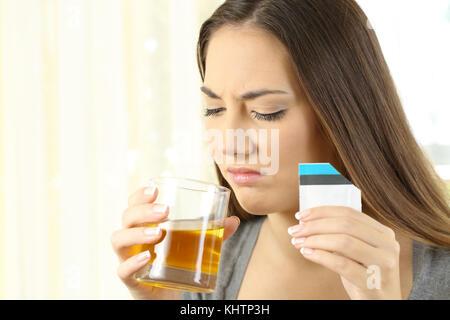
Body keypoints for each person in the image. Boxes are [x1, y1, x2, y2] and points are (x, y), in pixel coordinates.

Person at [111, 0, 450, 300]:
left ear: (344, 116)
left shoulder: (439, 273)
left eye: (266, 111)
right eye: (214, 109)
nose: (229, 143)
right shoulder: (202, 265)